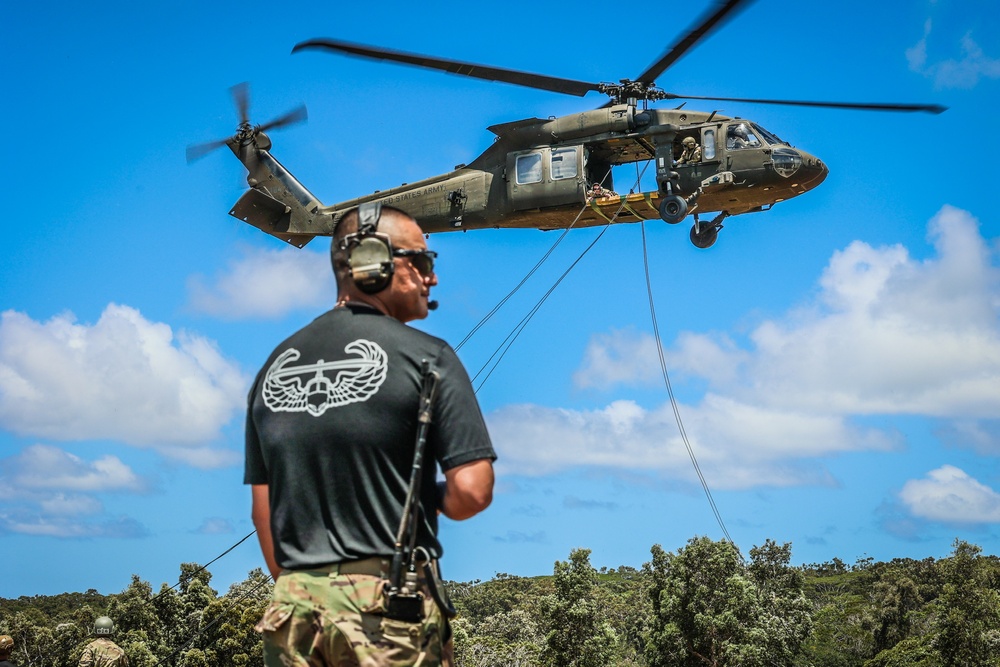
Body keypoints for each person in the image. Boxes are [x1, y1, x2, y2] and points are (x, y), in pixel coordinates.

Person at [246, 203, 496, 667]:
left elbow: (264, 511)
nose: (431, 278)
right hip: (387, 611)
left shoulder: (272, 369)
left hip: (292, 611)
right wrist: (419, 493)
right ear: (373, 263)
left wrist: (305, 589)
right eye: (422, 261)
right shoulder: (429, 357)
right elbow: (472, 491)